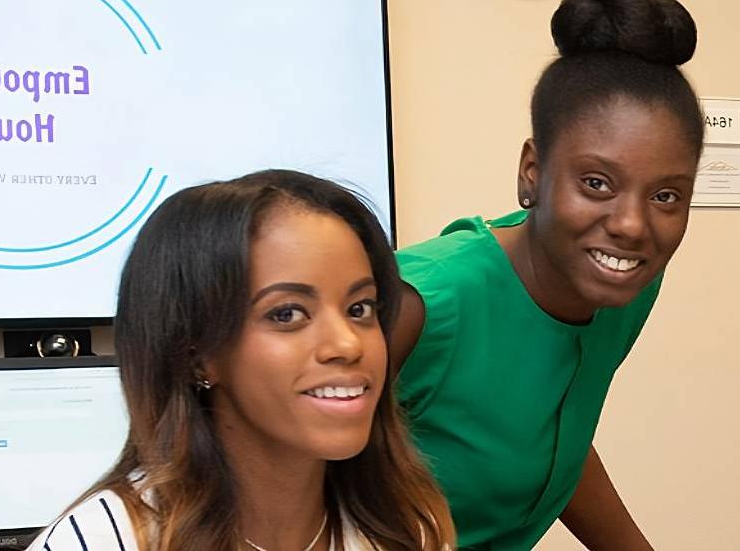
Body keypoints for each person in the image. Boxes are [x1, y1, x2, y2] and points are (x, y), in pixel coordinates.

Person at [387, 0, 704, 551]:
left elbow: (553, 442)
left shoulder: (620, 288)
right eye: (596, 183)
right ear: (533, 171)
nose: (633, 225)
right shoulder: (421, 301)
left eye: (665, 195)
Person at [30, 170, 454, 551]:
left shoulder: (409, 527)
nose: (347, 343)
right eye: (287, 314)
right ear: (196, 355)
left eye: (360, 308)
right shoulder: (103, 542)